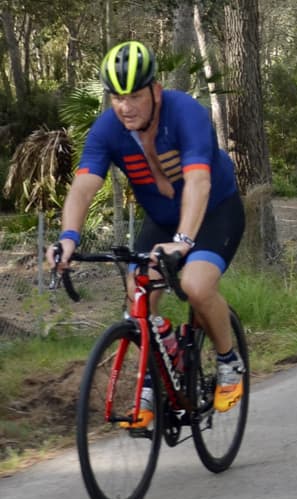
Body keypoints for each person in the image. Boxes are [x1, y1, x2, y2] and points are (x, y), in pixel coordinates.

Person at [46, 41, 246, 425]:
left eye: (134, 95)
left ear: (155, 91)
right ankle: (157, 377)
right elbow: (84, 186)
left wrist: (184, 242)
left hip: (214, 212)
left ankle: (227, 361)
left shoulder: (185, 112)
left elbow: (199, 181)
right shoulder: (108, 128)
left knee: (196, 286)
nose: (125, 106)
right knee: (138, 297)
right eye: (117, 97)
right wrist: (69, 237)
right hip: (162, 220)